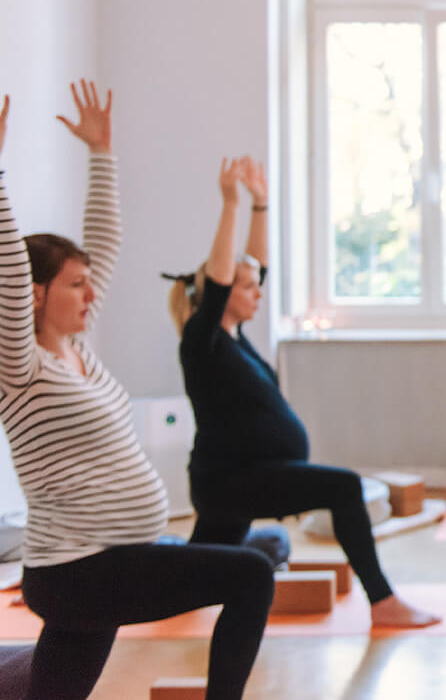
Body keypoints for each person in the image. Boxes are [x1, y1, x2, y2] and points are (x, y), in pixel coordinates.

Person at [0, 85, 273, 700]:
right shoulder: (21, 365)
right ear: (36, 295)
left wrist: (102, 154)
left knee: (52, 692)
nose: (92, 293)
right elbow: (11, 272)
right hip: (82, 568)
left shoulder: (78, 351)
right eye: (75, 284)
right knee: (251, 575)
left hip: (97, 565)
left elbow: (104, 243)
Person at [165, 155, 439, 628]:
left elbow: (258, 266)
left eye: (255, 284)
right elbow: (224, 277)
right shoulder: (201, 340)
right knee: (344, 486)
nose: (258, 291)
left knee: (192, 579)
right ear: (221, 289)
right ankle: (384, 603)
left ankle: (148, 582)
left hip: (240, 479)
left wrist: (262, 204)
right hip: (231, 480)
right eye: (246, 285)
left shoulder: (235, 338)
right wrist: (230, 203)